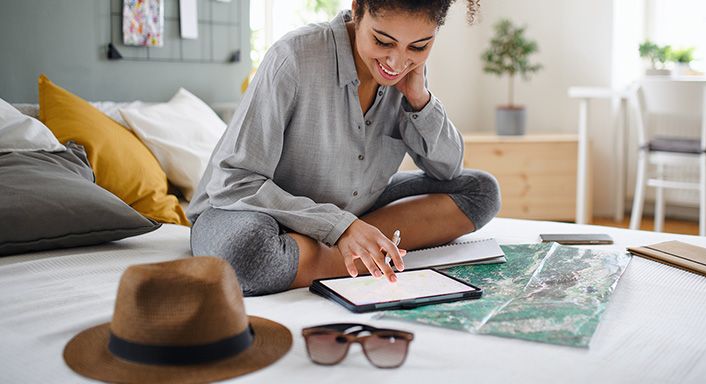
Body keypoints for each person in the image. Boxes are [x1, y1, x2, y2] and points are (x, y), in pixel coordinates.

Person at [188, 0, 500, 296]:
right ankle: (357, 253)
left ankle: (329, 251)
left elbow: (448, 169)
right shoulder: (295, 56)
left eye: (419, 46)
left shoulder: (405, 72)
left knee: (481, 191)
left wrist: (420, 99)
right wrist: (339, 226)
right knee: (248, 253)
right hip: (251, 210)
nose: (396, 62)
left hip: (353, 204)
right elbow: (234, 182)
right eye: (382, 41)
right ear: (357, 9)